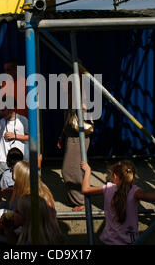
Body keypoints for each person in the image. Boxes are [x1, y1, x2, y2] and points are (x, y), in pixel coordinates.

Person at [80, 160, 155, 245]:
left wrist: (88, 171)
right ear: (132, 177)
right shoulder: (134, 191)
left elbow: (85, 189)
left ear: (114, 176)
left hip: (110, 240)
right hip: (130, 239)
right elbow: (149, 196)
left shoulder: (108, 188)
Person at [0, 160, 55, 245]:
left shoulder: (28, 201)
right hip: (45, 233)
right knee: (1, 212)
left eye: (15, 180)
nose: (14, 183)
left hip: (35, 238)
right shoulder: (40, 188)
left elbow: (2, 229)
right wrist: (13, 193)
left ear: (21, 180)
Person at [57, 74, 93, 212]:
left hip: (78, 138)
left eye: (65, 82)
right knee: (74, 169)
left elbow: (85, 120)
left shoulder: (80, 100)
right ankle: (74, 200)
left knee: (69, 170)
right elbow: (67, 121)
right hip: (71, 137)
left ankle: (81, 201)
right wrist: (62, 136)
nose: (62, 85)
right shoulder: (69, 99)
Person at [0, 96, 29, 183]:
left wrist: (15, 136)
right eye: (0, 109)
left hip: (18, 159)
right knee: (0, 184)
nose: (1, 112)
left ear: (11, 108)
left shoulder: (22, 120)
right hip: (1, 159)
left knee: (19, 184)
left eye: (3, 110)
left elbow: (31, 137)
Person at [0, 147, 24, 212]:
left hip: (14, 209)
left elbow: (3, 192)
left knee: (0, 213)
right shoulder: (27, 171)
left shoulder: (6, 175)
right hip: (27, 209)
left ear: (8, 161)